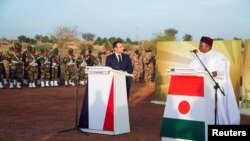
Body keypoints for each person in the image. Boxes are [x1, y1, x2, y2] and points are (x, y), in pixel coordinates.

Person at [190, 36, 240, 125]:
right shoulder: (199, 57)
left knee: (217, 109)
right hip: (200, 88)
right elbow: (191, 68)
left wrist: (215, 73)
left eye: (201, 44)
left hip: (215, 87)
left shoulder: (218, 56)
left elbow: (223, 70)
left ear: (207, 46)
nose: (199, 46)